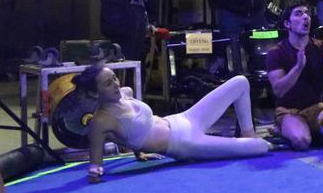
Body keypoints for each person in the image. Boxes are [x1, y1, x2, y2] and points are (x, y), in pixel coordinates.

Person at [79, 63, 268, 183]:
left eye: (114, 78)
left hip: (184, 118)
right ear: (95, 93)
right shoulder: (100, 121)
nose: (116, 84)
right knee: (261, 146)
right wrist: (95, 171)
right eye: (108, 83)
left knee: (240, 82)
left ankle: (248, 135)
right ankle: (251, 143)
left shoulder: (125, 93)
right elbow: (96, 163)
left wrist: (139, 152)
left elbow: (132, 130)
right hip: (185, 144)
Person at [266, 1, 323, 151]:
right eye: (298, 14)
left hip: (316, 108)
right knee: (301, 142)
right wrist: (298, 68)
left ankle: (305, 129)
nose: (305, 17)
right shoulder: (276, 52)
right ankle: (284, 128)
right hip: (289, 110)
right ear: (287, 24)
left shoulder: (322, 47)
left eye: (307, 13)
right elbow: (279, 90)